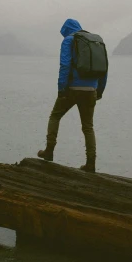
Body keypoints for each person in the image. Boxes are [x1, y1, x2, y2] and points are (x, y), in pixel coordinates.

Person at [37, 18, 107, 172]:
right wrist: (99, 91)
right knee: (88, 127)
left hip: (72, 89)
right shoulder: (96, 41)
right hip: (91, 91)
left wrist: (61, 89)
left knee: (55, 116)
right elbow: (104, 69)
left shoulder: (69, 40)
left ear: (66, 30)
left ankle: (49, 152)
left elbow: (65, 65)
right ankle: (91, 164)